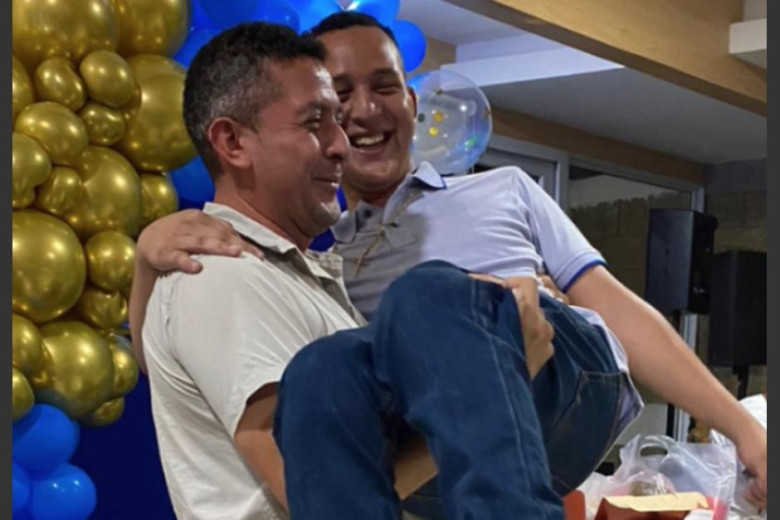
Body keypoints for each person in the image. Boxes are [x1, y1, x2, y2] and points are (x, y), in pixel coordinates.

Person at [133, 12, 767, 517]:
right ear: (234, 142)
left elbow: (618, 310)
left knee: (426, 295)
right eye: (328, 108)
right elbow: (187, 366)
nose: (355, 120)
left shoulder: (501, 190)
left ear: (413, 103)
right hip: (454, 448)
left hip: (569, 379)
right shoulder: (320, 264)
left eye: (382, 87)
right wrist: (146, 267)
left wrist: (745, 430)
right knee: (325, 369)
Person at [140, 21, 565, 520]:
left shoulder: (286, 276)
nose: (341, 144)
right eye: (314, 123)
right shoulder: (223, 277)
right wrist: (490, 382)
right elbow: (318, 488)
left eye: (336, 123)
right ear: (232, 142)